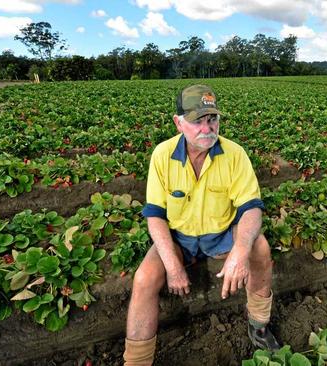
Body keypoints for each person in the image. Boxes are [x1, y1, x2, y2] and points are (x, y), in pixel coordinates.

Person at [123, 85, 280, 365]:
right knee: (144, 278)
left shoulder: (234, 154)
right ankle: (136, 361)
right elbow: (155, 215)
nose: (207, 128)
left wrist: (240, 252)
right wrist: (172, 266)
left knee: (260, 249)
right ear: (178, 122)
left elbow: (252, 209)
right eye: (197, 121)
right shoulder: (162, 155)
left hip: (220, 234)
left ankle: (259, 326)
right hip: (179, 239)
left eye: (212, 120)